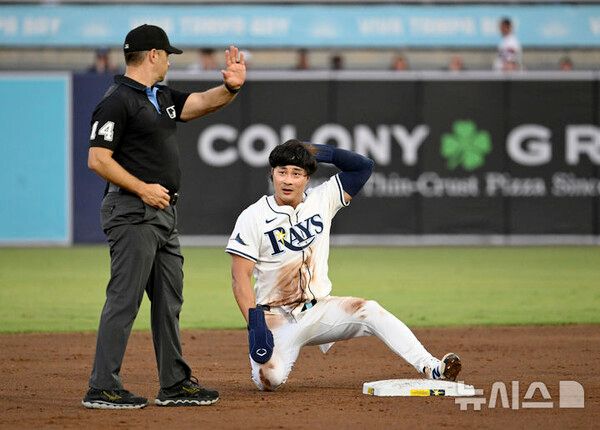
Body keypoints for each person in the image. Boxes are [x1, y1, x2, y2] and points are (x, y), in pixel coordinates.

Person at [82, 24, 246, 409]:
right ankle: (102, 386)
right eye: (167, 55)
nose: (170, 61)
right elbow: (97, 159)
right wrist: (142, 188)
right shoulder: (117, 100)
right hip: (132, 211)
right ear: (153, 55)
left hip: (163, 213)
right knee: (125, 298)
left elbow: (201, 103)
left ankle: (173, 383)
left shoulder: (160, 96)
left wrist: (231, 88)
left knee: (169, 300)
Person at [225, 140, 462, 391]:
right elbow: (240, 277)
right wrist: (256, 326)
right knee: (269, 380)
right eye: (282, 172)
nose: (288, 180)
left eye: (296, 173)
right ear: (271, 173)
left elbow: (363, 167)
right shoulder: (253, 217)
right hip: (275, 318)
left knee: (369, 310)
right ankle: (272, 360)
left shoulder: (322, 199)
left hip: (319, 310)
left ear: (307, 178)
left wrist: (319, 152)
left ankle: (432, 367)